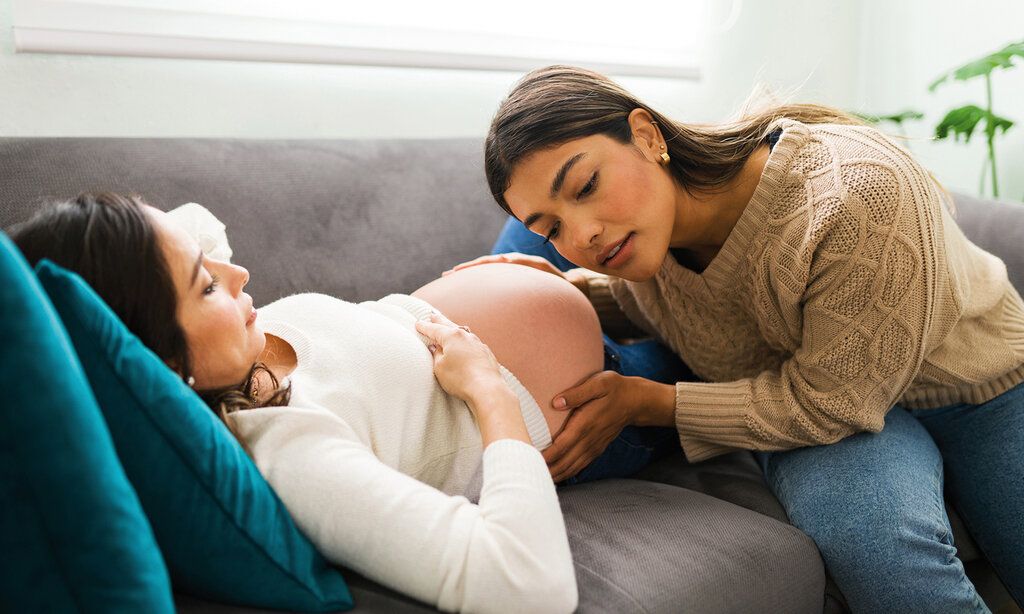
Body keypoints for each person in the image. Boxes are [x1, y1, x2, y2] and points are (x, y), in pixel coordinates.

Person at [451, 65, 1024, 612]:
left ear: (647, 135)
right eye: (550, 229)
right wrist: (552, 295)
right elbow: (673, 304)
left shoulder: (853, 198)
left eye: (586, 185)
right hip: (830, 403)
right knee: (876, 550)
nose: (583, 233)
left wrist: (652, 404)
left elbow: (830, 400)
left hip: (978, 387)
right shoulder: (647, 242)